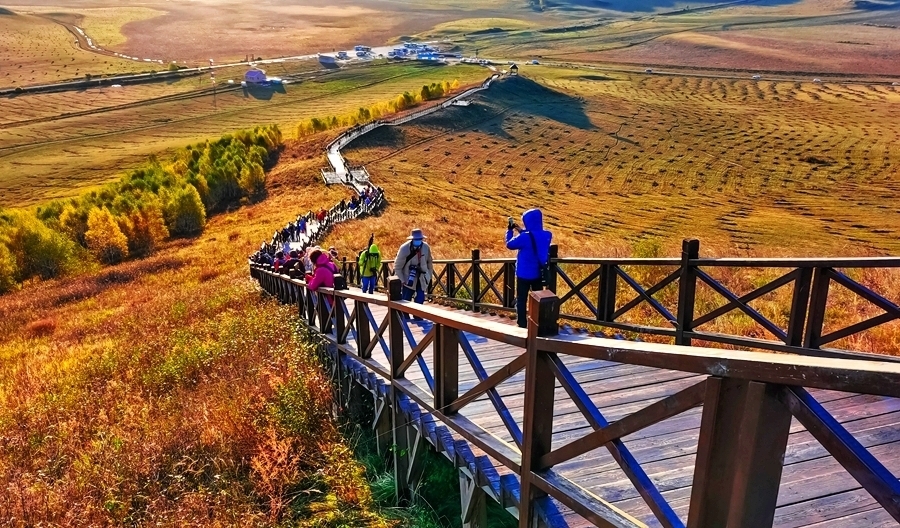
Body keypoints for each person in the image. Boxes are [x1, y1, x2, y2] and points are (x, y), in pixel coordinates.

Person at [506, 209, 553, 328]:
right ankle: (537, 322)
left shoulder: (524, 237)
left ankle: (522, 324)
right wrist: (522, 231)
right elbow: (534, 237)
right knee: (538, 299)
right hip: (538, 273)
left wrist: (510, 231)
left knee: (522, 300)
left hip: (523, 274)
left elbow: (510, 244)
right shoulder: (547, 234)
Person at [394, 228, 433, 304]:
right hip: (408, 278)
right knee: (405, 301)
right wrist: (402, 280)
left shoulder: (426, 247)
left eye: (420, 239)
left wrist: (429, 275)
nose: (418, 240)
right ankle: (404, 316)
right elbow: (397, 267)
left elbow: (429, 262)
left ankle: (417, 316)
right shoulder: (404, 248)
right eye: (416, 239)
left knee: (420, 300)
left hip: (422, 278)